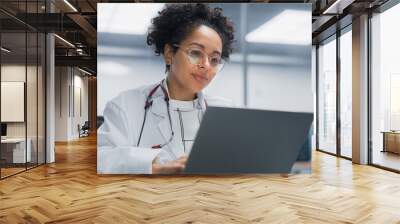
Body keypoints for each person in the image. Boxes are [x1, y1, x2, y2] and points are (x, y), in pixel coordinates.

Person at [98, 3, 235, 174]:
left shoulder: (226, 111)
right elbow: (101, 157)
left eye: (214, 60)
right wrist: (154, 168)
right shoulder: (125, 106)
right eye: (195, 53)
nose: (206, 65)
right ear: (170, 53)